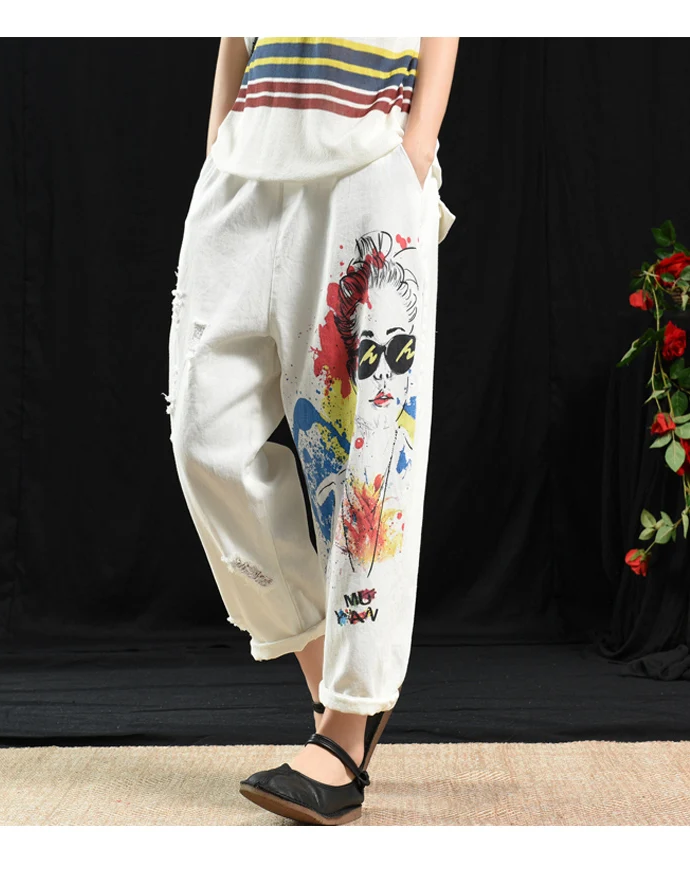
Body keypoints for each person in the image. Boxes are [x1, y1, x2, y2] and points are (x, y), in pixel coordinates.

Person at [164, 36, 459, 824]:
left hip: (368, 158)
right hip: (246, 158)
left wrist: (413, 149)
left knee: (369, 459)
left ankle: (346, 729)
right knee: (203, 436)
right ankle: (335, 675)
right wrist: (219, 138)